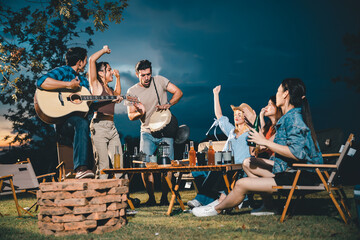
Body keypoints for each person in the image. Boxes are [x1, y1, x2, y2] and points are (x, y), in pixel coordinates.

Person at [192, 78, 323, 217]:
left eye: (278, 91)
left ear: (286, 94)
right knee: (248, 163)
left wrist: (265, 142)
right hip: (291, 170)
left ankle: (216, 209)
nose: (277, 94)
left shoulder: (293, 119)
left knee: (241, 184)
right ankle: (268, 205)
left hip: (299, 176)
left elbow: (297, 154)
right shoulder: (289, 117)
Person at [187, 85, 254, 208]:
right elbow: (219, 116)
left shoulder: (251, 134)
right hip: (222, 163)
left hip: (236, 167)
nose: (236, 116)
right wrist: (216, 95)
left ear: (246, 117)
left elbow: (255, 148)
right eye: (235, 114)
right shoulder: (231, 131)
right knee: (197, 167)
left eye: (240, 114)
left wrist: (253, 122)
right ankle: (209, 196)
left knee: (219, 170)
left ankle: (202, 199)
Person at [127, 59, 183, 205]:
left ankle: (165, 198)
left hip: (165, 131)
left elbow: (178, 92)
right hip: (146, 132)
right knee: (146, 166)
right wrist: (140, 112)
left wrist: (169, 104)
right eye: (143, 75)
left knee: (167, 166)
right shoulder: (132, 91)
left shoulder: (160, 80)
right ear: (137, 74)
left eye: (149, 74)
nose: (147, 78)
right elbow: (130, 116)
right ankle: (151, 199)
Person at [36, 47, 94, 179]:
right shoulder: (64, 71)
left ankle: (87, 172)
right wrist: (68, 85)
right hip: (62, 122)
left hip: (78, 126)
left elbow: (90, 101)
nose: (85, 64)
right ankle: (81, 169)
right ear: (79, 62)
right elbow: (41, 82)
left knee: (84, 127)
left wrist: (112, 99)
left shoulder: (83, 81)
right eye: (85, 61)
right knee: (81, 123)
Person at [88, 45, 123, 179]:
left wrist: (118, 78)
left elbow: (117, 94)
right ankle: (102, 196)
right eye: (108, 70)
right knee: (103, 165)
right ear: (101, 73)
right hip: (99, 126)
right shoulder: (96, 86)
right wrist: (103, 51)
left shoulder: (109, 90)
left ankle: (122, 197)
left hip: (111, 127)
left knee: (119, 163)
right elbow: (91, 60)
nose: (111, 72)